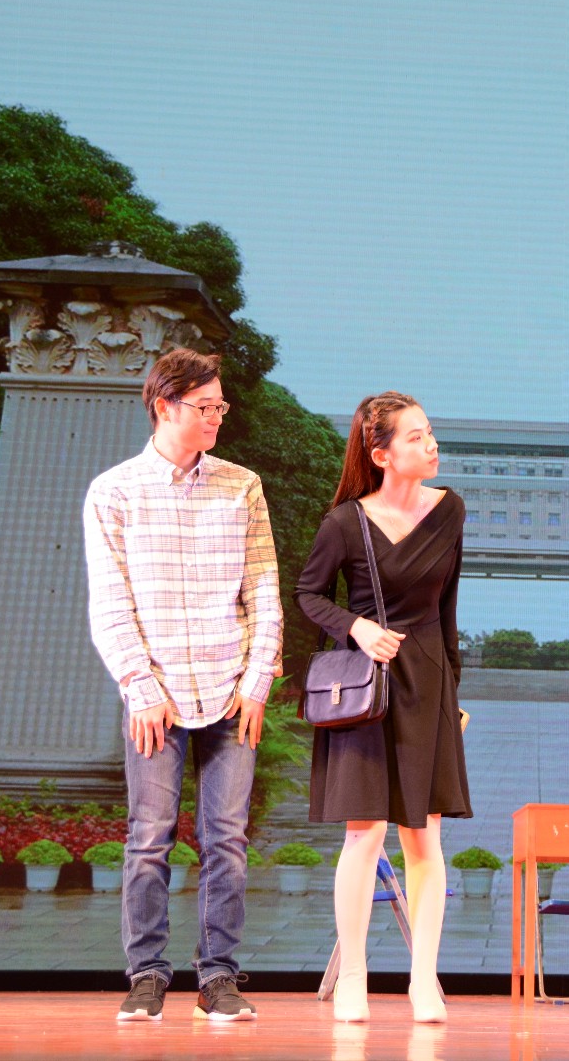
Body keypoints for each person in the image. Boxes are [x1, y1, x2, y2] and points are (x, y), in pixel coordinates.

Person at [83, 348, 282, 1023]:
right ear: (164, 407)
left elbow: (264, 589)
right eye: (205, 407)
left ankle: (218, 976)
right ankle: (146, 974)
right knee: (149, 838)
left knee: (227, 839)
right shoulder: (114, 491)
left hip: (231, 691)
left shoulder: (242, 486)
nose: (217, 417)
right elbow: (110, 601)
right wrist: (140, 687)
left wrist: (257, 681)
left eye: (221, 406)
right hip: (157, 698)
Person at [296, 391, 471, 1025]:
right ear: (381, 454)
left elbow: (447, 609)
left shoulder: (450, 510)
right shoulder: (345, 522)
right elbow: (309, 594)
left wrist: (453, 695)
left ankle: (424, 980)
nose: (431, 444)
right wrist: (357, 627)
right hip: (366, 689)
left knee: (425, 837)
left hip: (429, 684)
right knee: (363, 834)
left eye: (430, 433)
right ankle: (354, 979)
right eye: (416, 436)